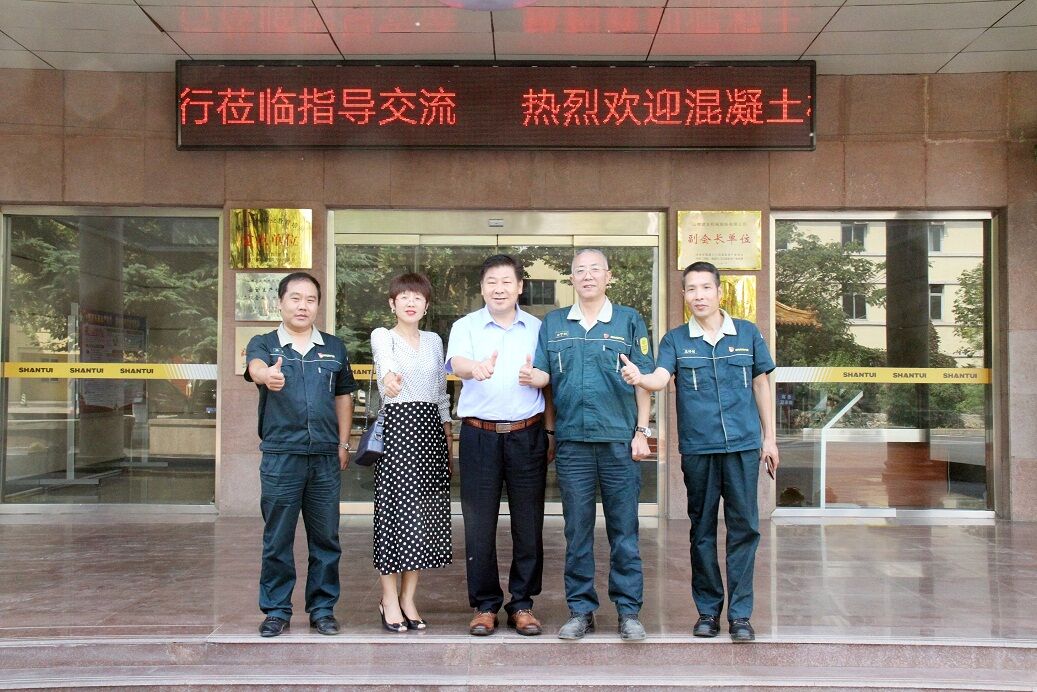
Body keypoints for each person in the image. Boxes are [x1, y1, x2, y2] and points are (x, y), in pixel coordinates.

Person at [620, 261, 778, 643]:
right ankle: (708, 611)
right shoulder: (675, 340)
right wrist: (641, 378)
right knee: (702, 531)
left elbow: (761, 385)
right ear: (684, 295)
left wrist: (770, 438)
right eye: (691, 289)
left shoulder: (747, 333)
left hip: (742, 446)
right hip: (699, 449)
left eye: (706, 288)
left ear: (719, 291)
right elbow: (661, 377)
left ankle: (741, 615)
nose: (699, 295)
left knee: (745, 529)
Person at [520, 248, 655, 641]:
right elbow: (545, 375)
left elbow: (644, 380)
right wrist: (532, 376)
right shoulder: (555, 323)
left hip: (618, 442)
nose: (588, 276)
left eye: (596, 269)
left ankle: (629, 612)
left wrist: (642, 431)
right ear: (572, 279)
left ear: (608, 276)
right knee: (576, 532)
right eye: (580, 270)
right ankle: (581, 610)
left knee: (624, 531)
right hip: (573, 444)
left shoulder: (629, 320)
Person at [244, 272, 357, 638]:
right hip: (282, 456)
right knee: (277, 538)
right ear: (280, 303)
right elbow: (255, 368)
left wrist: (343, 443)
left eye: (310, 299)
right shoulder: (264, 343)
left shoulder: (334, 347)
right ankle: (276, 610)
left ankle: (322, 609)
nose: (302, 306)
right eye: (295, 298)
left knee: (326, 539)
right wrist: (266, 376)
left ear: (318, 305)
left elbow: (343, 396)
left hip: (325, 456)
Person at [445, 254, 551, 637]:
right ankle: (485, 605)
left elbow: (549, 380)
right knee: (479, 524)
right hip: (479, 435)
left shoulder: (539, 328)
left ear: (520, 286)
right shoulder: (466, 326)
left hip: (527, 435)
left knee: (529, 523)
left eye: (507, 281)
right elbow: (457, 361)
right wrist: (474, 368)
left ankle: (522, 603)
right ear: (482, 287)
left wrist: (541, 384)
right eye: (491, 282)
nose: (499, 288)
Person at [370, 272, 452, 632]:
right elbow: (385, 368)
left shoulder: (434, 341)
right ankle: (388, 598)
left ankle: (408, 598)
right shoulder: (382, 336)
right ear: (392, 303)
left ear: (426, 305)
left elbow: (440, 392)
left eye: (418, 297)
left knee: (421, 518)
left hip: (430, 430)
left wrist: (447, 436)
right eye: (403, 296)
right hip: (398, 430)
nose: (410, 302)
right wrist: (389, 381)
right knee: (393, 516)